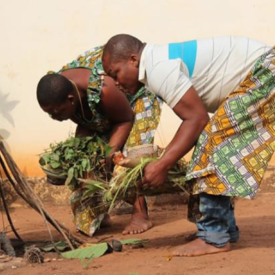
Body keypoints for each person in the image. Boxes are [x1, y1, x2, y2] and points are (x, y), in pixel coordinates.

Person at [102, 34, 274, 256]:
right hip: (263, 71)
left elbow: (197, 119)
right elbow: (196, 119)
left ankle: (214, 237)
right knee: (211, 145)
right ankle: (222, 230)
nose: (115, 82)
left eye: (115, 73)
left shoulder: (158, 69)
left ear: (133, 60)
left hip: (264, 72)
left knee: (212, 146)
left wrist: (163, 164)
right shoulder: (156, 63)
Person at [37, 46, 163, 236]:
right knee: (87, 161)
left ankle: (140, 213)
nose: (55, 117)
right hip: (108, 106)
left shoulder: (103, 89)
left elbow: (125, 119)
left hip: (135, 99)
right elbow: (87, 120)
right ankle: (98, 213)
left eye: (56, 112)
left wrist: (110, 153)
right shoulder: (63, 90)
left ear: (71, 99)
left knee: (127, 159)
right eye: (49, 114)